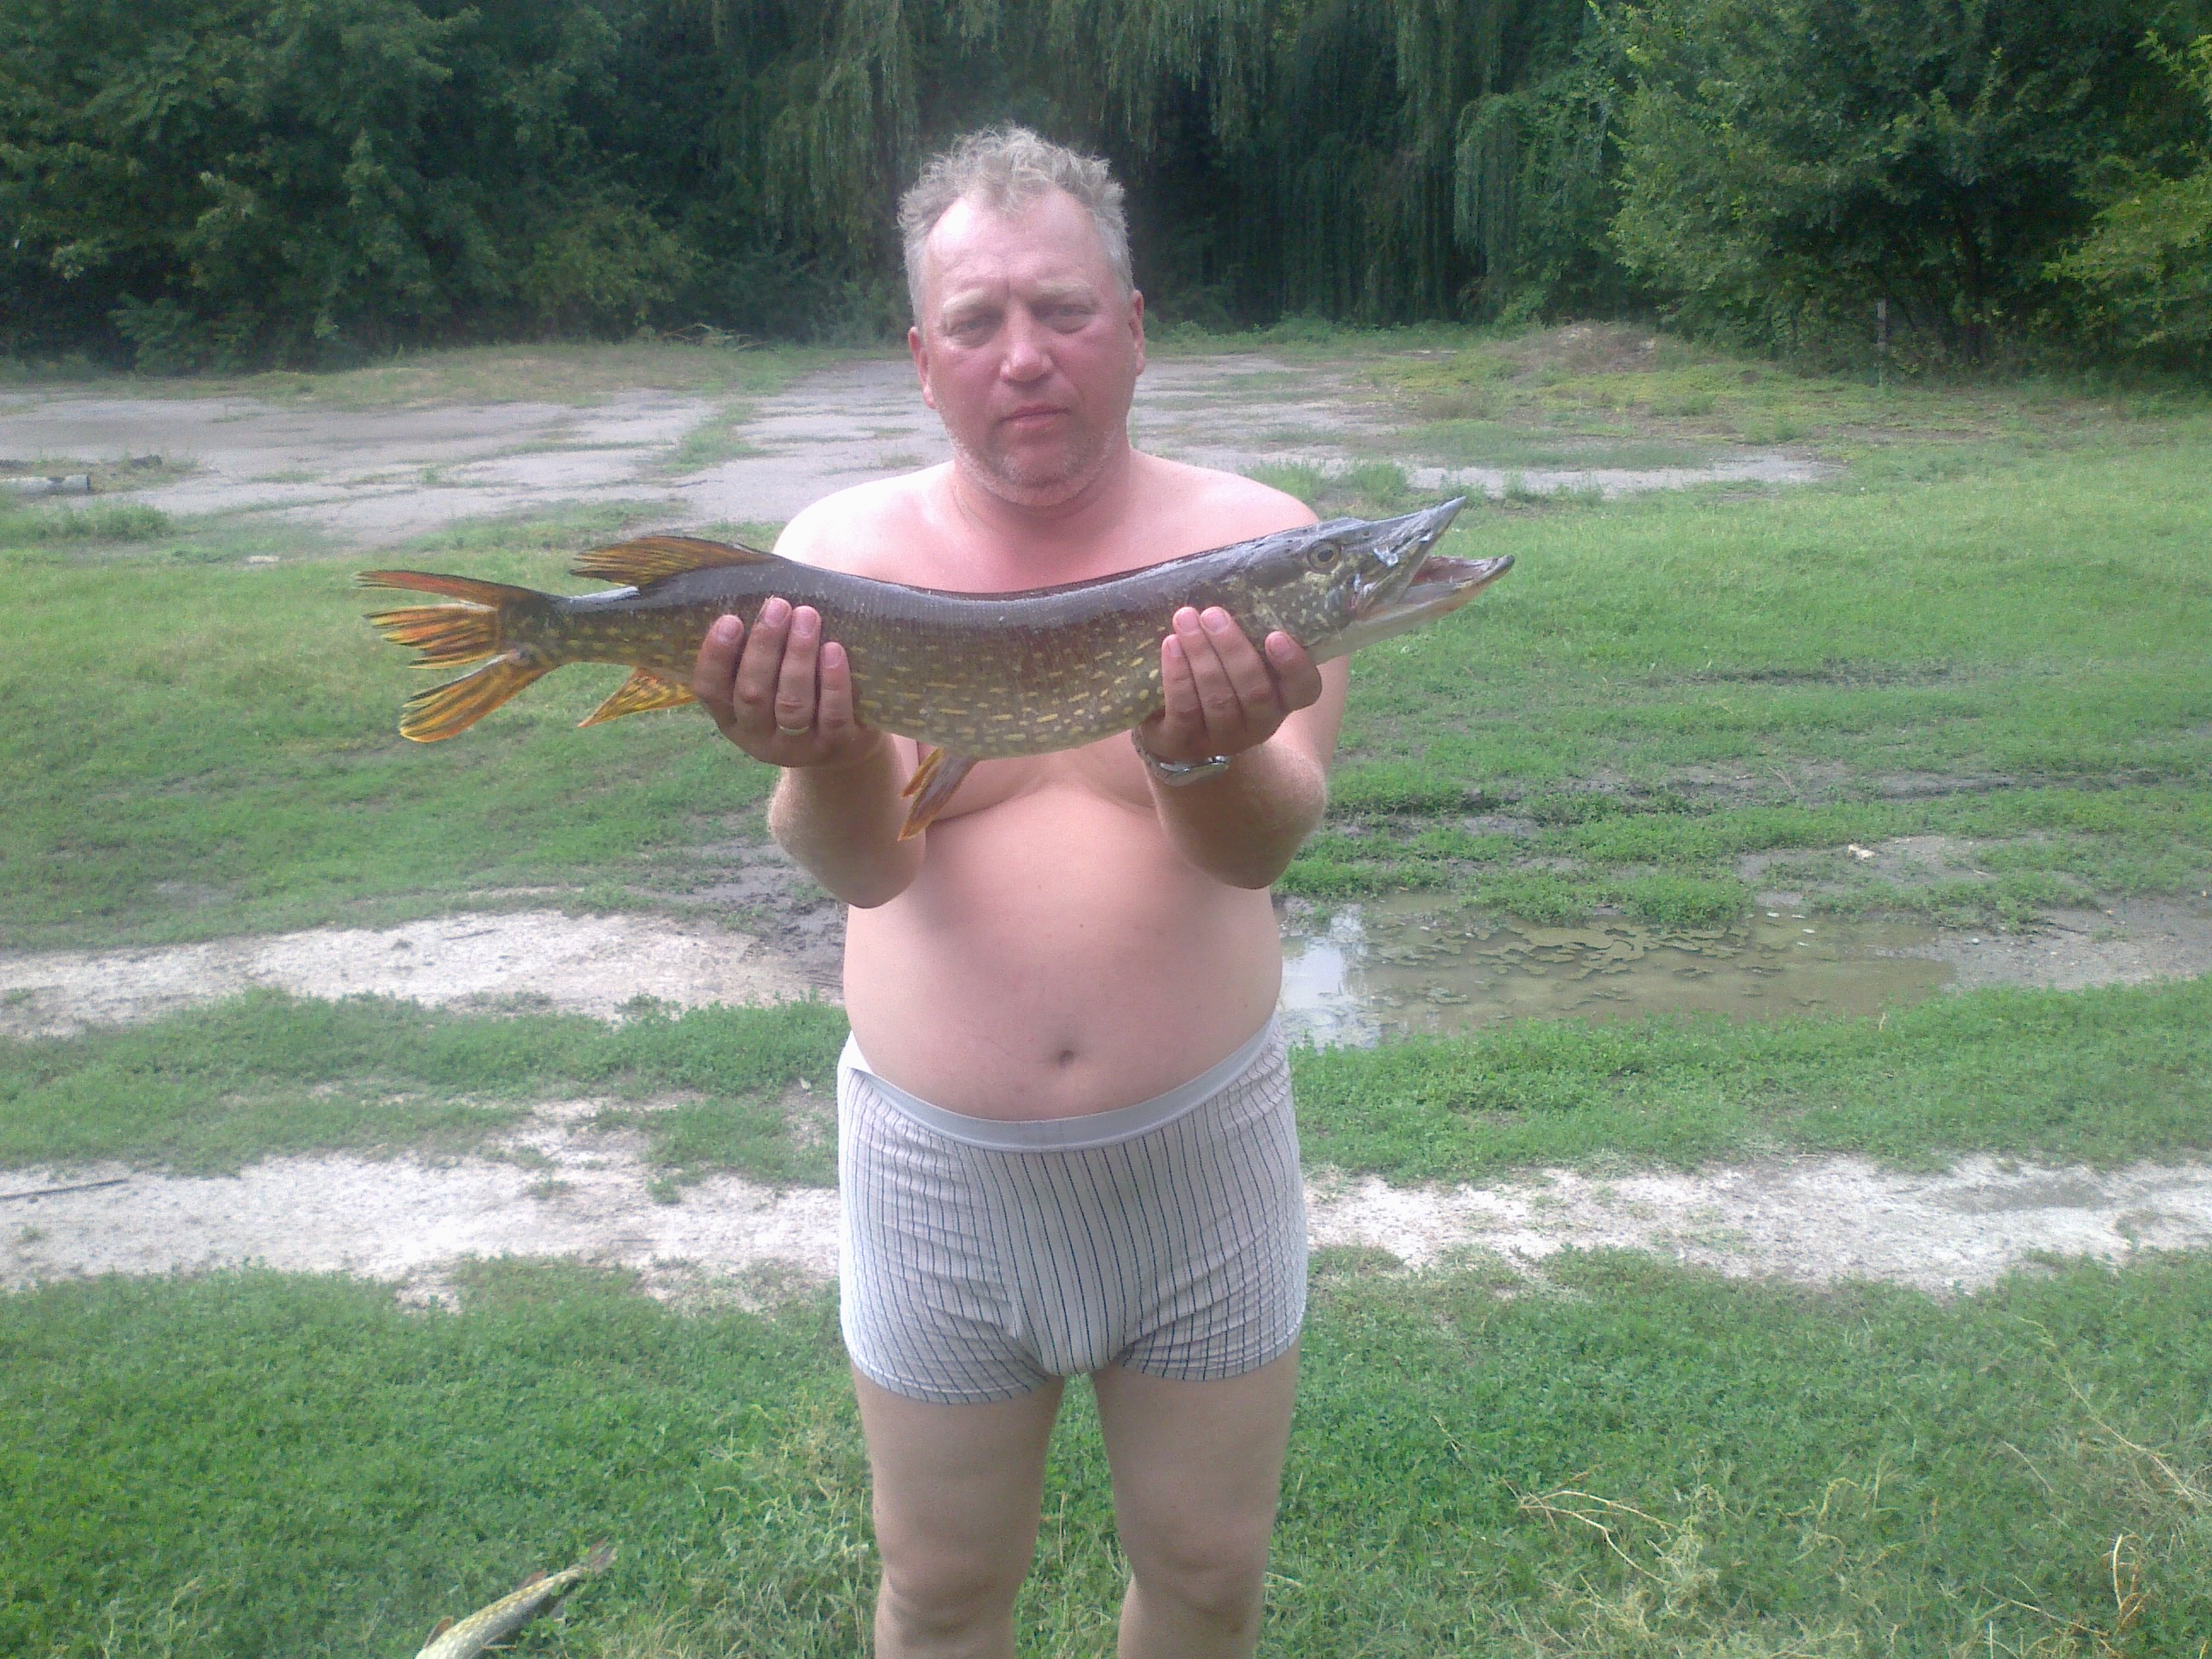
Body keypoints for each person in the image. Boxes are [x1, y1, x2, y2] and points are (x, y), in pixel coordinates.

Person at [690, 126, 1346, 1659]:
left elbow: (1257, 849)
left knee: (1206, 1575)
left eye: (1062, 308)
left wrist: (1197, 752)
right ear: (925, 362)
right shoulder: (836, 556)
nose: (1025, 354)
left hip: (1202, 1165)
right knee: (938, 1588)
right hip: (938, 1183)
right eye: (977, 322)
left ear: (1136, 325)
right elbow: (859, 865)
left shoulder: (1262, 544)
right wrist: (827, 756)